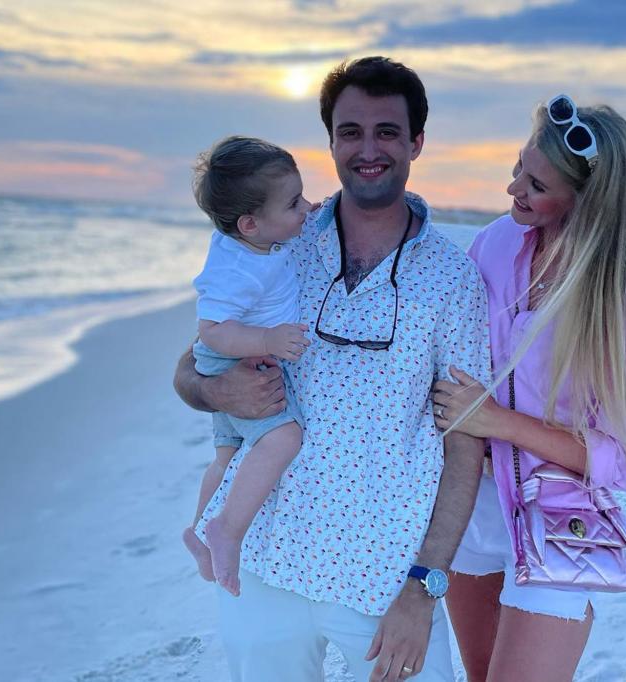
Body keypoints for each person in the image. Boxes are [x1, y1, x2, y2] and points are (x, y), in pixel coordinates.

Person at [173, 56, 491, 682]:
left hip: (382, 573)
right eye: (351, 132)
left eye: (387, 132)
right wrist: (214, 388)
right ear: (331, 142)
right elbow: (194, 361)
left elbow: (465, 443)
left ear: (416, 143)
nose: (367, 149)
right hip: (266, 558)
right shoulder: (279, 238)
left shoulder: (453, 278)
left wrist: (424, 586)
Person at [432, 95, 626, 681]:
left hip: (558, 523)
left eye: (535, 183)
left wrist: (498, 421)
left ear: (584, 198)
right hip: (467, 506)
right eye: (519, 167)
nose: (513, 189)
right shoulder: (496, 242)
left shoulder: (625, 308)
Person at [180, 136, 313, 596]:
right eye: (295, 203)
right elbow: (212, 329)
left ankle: (199, 532)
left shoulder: (250, 243)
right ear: (251, 223)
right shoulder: (239, 269)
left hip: (230, 354)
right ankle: (228, 531)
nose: (307, 208)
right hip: (231, 355)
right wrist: (267, 339)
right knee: (284, 436)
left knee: (228, 453)